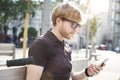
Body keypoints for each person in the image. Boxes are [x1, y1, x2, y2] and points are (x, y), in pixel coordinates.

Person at [26, 2, 105, 80]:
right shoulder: (41, 45)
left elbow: (74, 77)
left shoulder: (66, 47)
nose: (76, 29)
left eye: (78, 26)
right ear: (58, 21)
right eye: (73, 24)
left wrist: (87, 72)